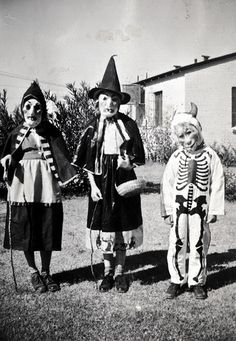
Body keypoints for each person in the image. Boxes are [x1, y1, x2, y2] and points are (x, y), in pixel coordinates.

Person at [73, 56, 145, 293]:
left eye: (115, 99)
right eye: (105, 98)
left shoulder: (128, 124)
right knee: (105, 226)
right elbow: (86, 162)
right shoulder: (92, 127)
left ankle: (121, 271)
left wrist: (127, 163)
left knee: (123, 225)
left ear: (120, 103)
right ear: (98, 101)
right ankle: (107, 272)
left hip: (124, 181)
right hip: (101, 182)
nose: (110, 103)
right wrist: (93, 186)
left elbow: (136, 156)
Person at [0, 81, 78, 293]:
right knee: (26, 226)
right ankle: (33, 271)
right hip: (22, 183)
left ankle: (46, 271)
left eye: (37, 107)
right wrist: (6, 160)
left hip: (45, 183)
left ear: (42, 109)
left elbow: (62, 158)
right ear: (22, 108)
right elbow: (7, 156)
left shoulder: (51, 132)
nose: (32, 112)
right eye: (28, 106)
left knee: (46, 226)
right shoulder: (16, 133)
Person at [161, 103, 224, 299]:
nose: (187, 140)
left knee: (198, 243)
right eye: (181, 136)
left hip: (201, 207)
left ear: (197, 130)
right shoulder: (176, 156)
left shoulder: (210, 155)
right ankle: (176, 279)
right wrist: (169, 210)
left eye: (190, 133)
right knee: (177, 241)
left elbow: (218, 182)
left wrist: (214, 209)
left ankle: (197, 281)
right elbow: (167, 184)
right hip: (179, 208)